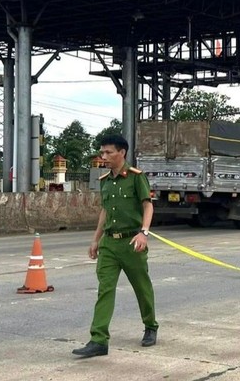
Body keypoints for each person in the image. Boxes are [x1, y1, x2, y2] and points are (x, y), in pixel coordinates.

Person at [72, 134, 158, 358]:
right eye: (102, 153)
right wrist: (95, 239)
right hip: (109, 244)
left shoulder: (137, 178)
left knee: (142, 287)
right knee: (105, 289)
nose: (104, 157)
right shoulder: (105, 181)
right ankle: (98, 339)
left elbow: (147, 206)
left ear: (122, 153)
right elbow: (105, 211)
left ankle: (151, 326)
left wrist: (144, 233)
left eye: (109, 152)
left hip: (132, 243)